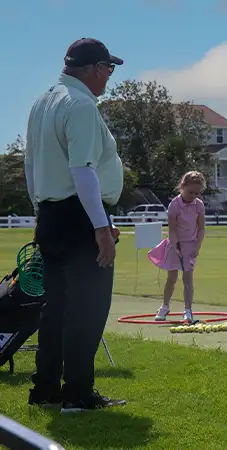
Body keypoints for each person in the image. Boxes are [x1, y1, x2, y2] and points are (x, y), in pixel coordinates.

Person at [24, 37, 127, 412]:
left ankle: (46, 389)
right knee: (87, 308)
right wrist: (101, 227)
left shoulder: (42, 101)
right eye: (108, 69)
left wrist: (40, 211)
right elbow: (82, 170)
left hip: (51, 215)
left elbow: (31, 166)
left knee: (55, 308)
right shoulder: (81, 104)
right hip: (81, 214)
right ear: (94, 69)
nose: (109, 77)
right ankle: (78, 394)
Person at [148, 172, 207, 323]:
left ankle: (188, 310)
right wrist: (174, 247)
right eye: (190, 192)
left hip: (191, 245)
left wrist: (197, 247)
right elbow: (172, 230)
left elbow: (201, 229)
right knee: (172, 278)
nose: (193, 195)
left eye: (196, 193)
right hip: (175, 244)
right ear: (182, 187)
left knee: (188, 279)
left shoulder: (199, 205)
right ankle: (165, 306)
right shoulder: (174, 204)